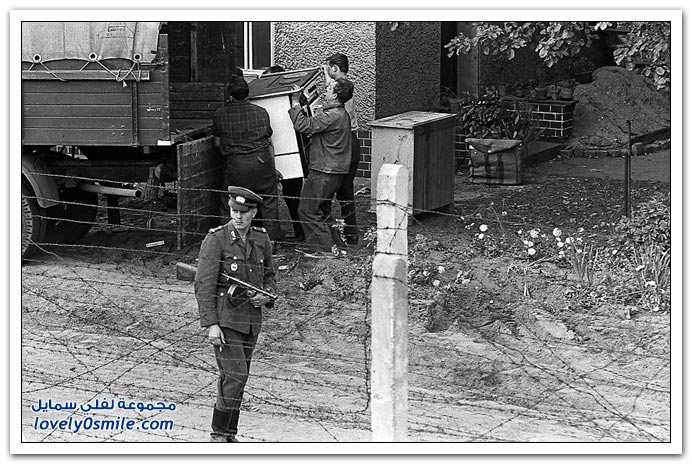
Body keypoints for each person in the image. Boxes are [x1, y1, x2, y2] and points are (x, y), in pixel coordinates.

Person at [194, 186, 277, 443]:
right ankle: (219, 433)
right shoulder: (216, 239)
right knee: (235, 375)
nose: (238, 216)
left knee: (239, 377)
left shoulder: (261, 239)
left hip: (251, 321)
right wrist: (211, 324)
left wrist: (267, 295)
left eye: (243, 212)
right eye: (233, 211)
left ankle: (228, 433)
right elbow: (203, 284)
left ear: (254, 212)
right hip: (226, 319)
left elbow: (270, 277)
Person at [212, 74, 283, 242]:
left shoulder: (220, 114)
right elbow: (268, 138)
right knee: (269, 203)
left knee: (229, 201)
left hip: (238, 166)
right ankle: (271, 243)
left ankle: (229, 240)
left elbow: (216, 143)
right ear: (247, 92)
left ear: (229, 95)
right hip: (263, 162)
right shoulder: (261, 112)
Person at [288, 77, 354, 256]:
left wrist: (294, 103)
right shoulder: (340, 113)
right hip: (335, 171)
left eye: (330, 87)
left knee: (307, 211)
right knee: (322, 210)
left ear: (335, 95)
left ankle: (324, 251)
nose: (326, 89)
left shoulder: (331, 116)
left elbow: (304, 126)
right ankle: (336, 247)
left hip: (324, 171)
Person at [261, 65, 306, 242]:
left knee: (292, 197)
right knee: (280, 198)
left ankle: (299, 232)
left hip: (289, 155)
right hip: (278, 153)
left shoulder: (292, 99)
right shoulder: (282, 99)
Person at [322, 53, 361, 246]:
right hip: (353, 142)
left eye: (328, 68)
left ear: (335, 68)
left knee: (329, 190)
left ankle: (331, 234)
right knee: (346, 192)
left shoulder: (340, 89)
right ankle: (351, 233)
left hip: (342, 144)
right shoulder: (347, 86)